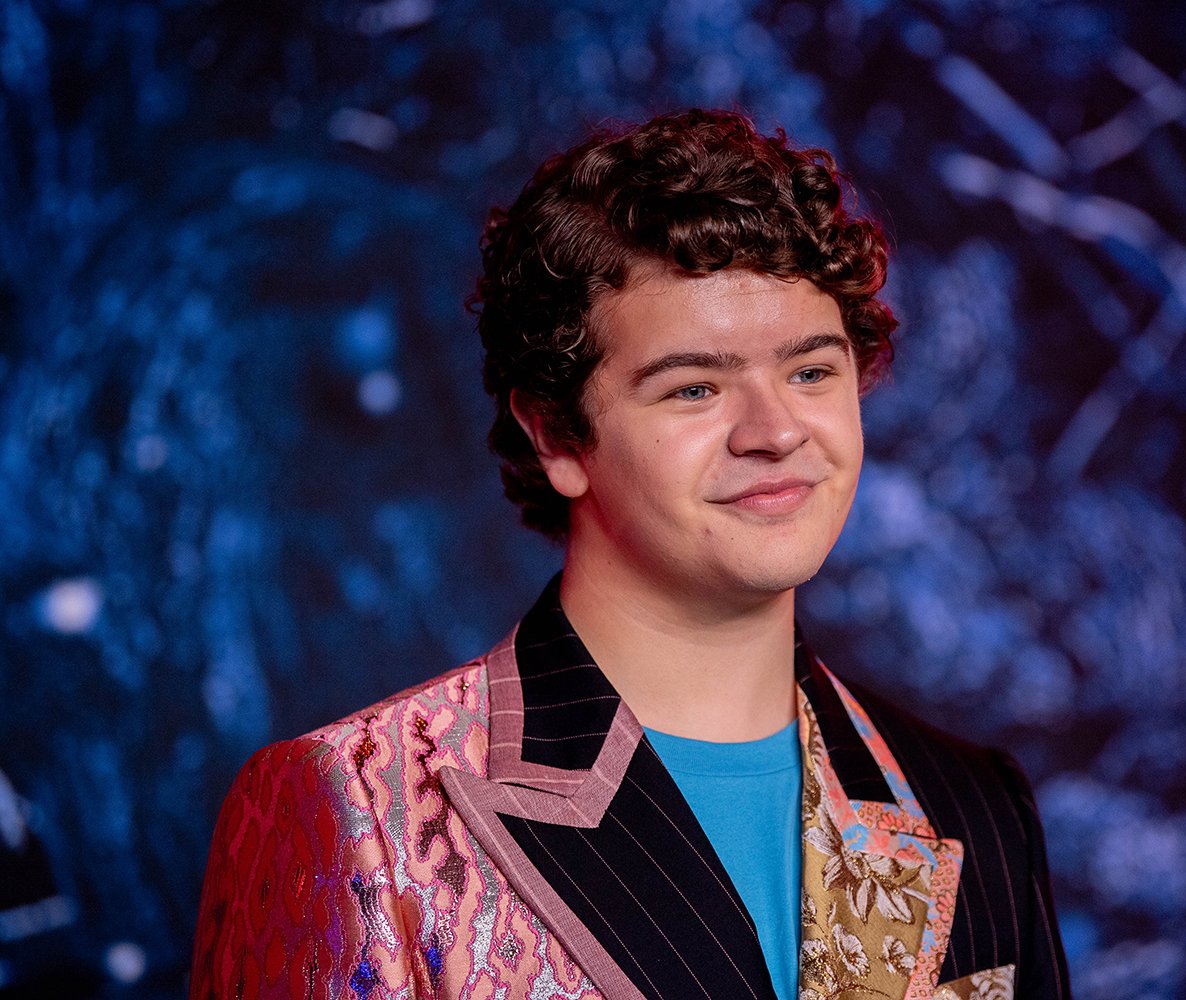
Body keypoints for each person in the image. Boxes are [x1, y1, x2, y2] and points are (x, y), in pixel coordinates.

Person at [189, 108, 1070, 1000]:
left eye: (811, 372)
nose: (775, 432)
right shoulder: (359, 807)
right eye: (694, 387)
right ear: (556, 436)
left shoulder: (973, 807)